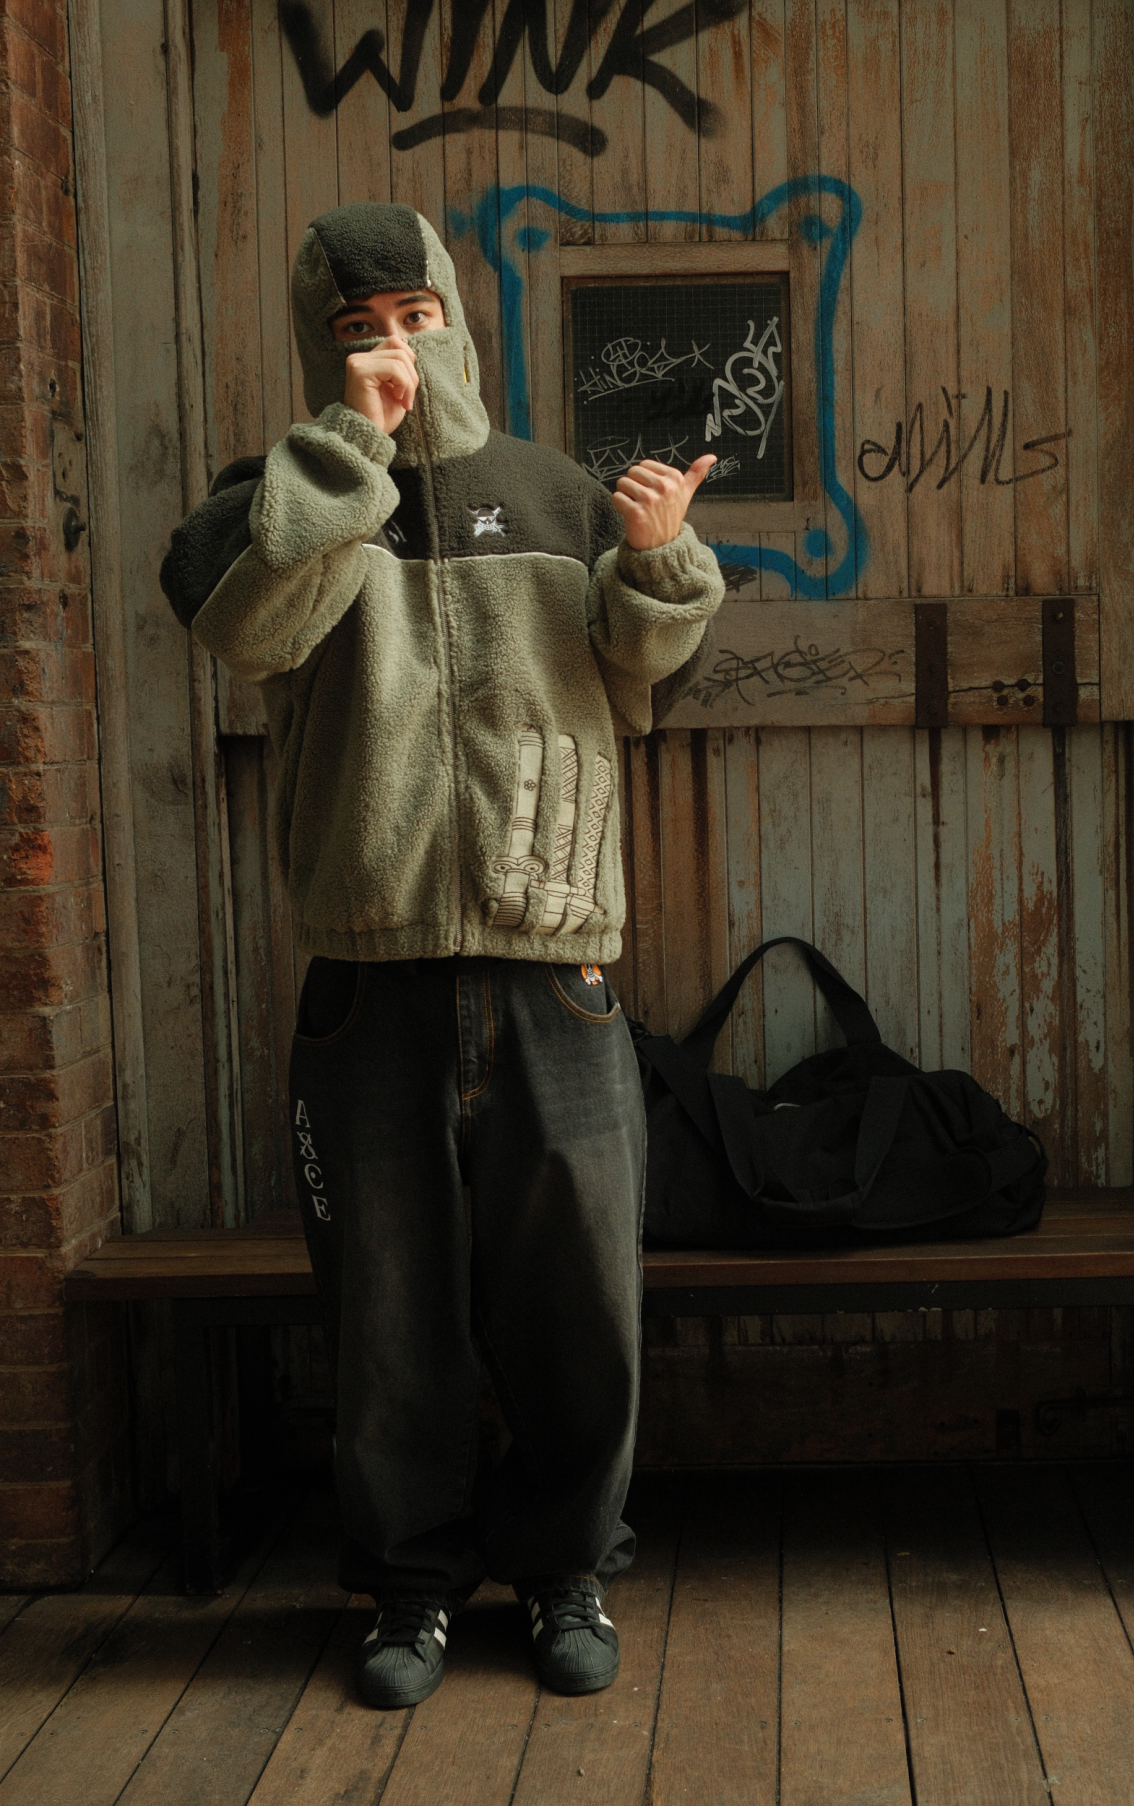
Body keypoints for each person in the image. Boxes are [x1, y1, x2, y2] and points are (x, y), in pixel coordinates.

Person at [160, 201, 723, 1710]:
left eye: (411, 319)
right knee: (387, 1313)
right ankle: (408, 1589)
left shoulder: (552, 492)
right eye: (357, 329)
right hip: (371, 983)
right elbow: (247, 629)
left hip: (555, 971)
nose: (391, 348)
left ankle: (566, 1570)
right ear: (321, 347)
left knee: (579, 1307)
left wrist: (658, 562)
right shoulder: (273, 502)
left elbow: (640, 679)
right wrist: (348, 455)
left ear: (457, 323)